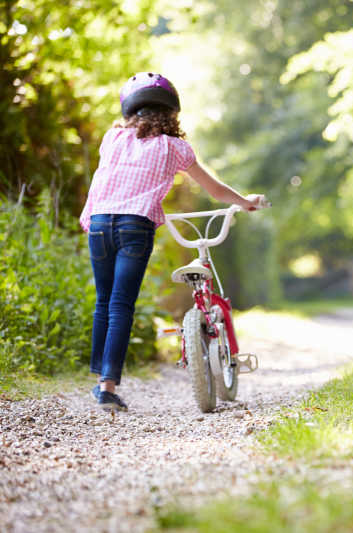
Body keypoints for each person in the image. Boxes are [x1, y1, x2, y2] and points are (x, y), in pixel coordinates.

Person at [79, 72, 263, 412]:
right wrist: (245, 202)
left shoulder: (112, 138)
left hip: (100, 222)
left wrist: (88, 217)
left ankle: (101, 383)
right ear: (171, 112)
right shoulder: (175, 147)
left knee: (103, 303)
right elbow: (216, 190)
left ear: (130, 110)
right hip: (136, 224)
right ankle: (107, 386)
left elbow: (100, 179)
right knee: (121, 304)